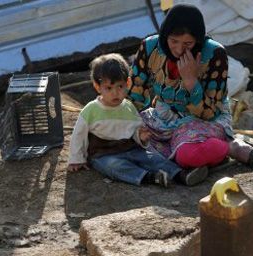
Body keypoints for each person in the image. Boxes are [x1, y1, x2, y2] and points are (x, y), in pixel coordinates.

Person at [127, 4, 253, 172]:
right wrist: (128, 122)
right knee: (124, 137)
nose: (179, 50)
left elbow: (210, 113)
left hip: (201, 120)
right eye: (173, 41)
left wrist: (191, 81)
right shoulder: (150, 47)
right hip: (162, 116)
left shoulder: (214, 54)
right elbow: (135, 93)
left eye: (188, 43)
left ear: (198, 41)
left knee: (187, 154)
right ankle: (203, 152)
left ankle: (231, 148)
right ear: (165, 35)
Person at [67, 53, 208, 186]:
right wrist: (76, 159)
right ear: (98, 87)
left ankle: (181, 175)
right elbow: (78, 136)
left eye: (120, 87)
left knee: (154, 158)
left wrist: (141, 136)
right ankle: (150, 177)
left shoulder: (128, 107)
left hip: (131, 148)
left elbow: (135, 128)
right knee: (114, 167)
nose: (115, 93)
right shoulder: (91, 110)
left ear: (128, 83)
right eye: (108, 88)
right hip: (103, 153)